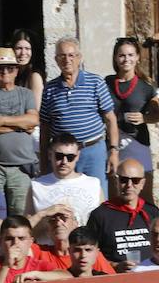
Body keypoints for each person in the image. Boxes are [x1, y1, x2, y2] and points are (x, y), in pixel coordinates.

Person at [39, 38, 119, 194]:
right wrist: (44, 162)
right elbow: (45, 128)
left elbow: (110, 118)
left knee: (97, 197)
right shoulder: (49, 89)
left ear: (79, 57)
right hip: (63, 156)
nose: (67, 60)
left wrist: (114, 151)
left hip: (92, 151)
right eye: (62, 56)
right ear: (56, 59)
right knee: (65, 197)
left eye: (71, 55)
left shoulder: (95, 82)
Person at [0, 47, 40, 216]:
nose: (5, 71)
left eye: (10, 67)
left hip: (22, 167)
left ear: (17, 70)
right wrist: (20, 125)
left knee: (22, 217)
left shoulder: (25, 94)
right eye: (0, 68)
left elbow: (33, 121)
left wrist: (1, 120)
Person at [106, 39, 159, 201]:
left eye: (130, 55)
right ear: (115, 58)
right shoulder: (106, 83)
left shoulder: (146, 86)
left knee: (144, 194)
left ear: (137, 58)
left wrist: (144, 117)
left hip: (137, 142)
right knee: (114, 193)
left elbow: (157, 115)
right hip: (112, 144)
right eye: (122, 55)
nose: (126, 59)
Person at [26, 133, 104, 245]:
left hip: (83, 253)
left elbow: (103, 225)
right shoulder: (37, 185)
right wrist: (44, 214)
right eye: (59, 156)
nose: (64, 162)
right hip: (48, 253)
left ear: (77, 156)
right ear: (49, 155)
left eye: (70, 157)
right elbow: (25, 228)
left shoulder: (93, 184)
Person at [86, 159, 159, 270]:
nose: (129, 185)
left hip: (150, 276)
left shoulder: (152, 212)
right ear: (116, 181)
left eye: (135, 180)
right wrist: (115, 266)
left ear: (142, 183)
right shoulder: (100, 215)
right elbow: (88, 255)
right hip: (114, 279)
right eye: (124, 180)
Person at [0, 217, 55, 283]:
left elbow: (65, 276)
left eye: (21, 238)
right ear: (1, 241)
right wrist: (6, 266)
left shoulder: (38, 265)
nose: (15, 243)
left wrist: (36, 275)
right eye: (9, 239)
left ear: (31, 242)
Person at [39, 207, 116, 275]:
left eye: (64, 218)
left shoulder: (93, 253)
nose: (58, 223)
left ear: (75, 223)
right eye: (52, 220)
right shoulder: (40, 252)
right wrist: (42, 214)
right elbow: (26, 234)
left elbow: (113, 282)